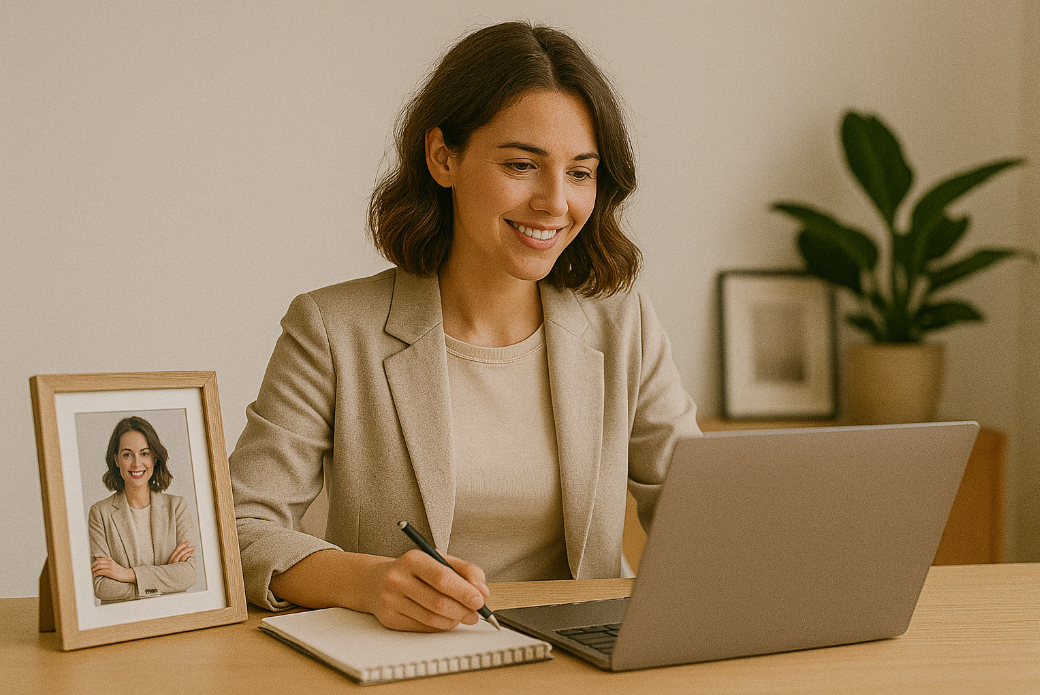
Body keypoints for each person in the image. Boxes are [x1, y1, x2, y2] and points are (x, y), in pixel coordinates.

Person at [230, 20, 699, 632]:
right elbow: (239, 528)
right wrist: (368, 582)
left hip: (584, 663)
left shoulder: (623, 323)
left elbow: (703, 517)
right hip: (405, 661)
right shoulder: (332, 328)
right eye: (522, 165)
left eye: (581, 172)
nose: (555, 202)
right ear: (442, 157)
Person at [89, 416, 200, 603]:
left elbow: (189, 575)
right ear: (116, 460)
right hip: (122, 621)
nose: (136, 463)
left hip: (171, 615)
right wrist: (165, 579)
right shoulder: (100, 513)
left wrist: (126, 574)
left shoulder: (177, 507)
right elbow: (102, 587)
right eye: (127, 454)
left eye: (144, 453)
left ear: (155, 457)